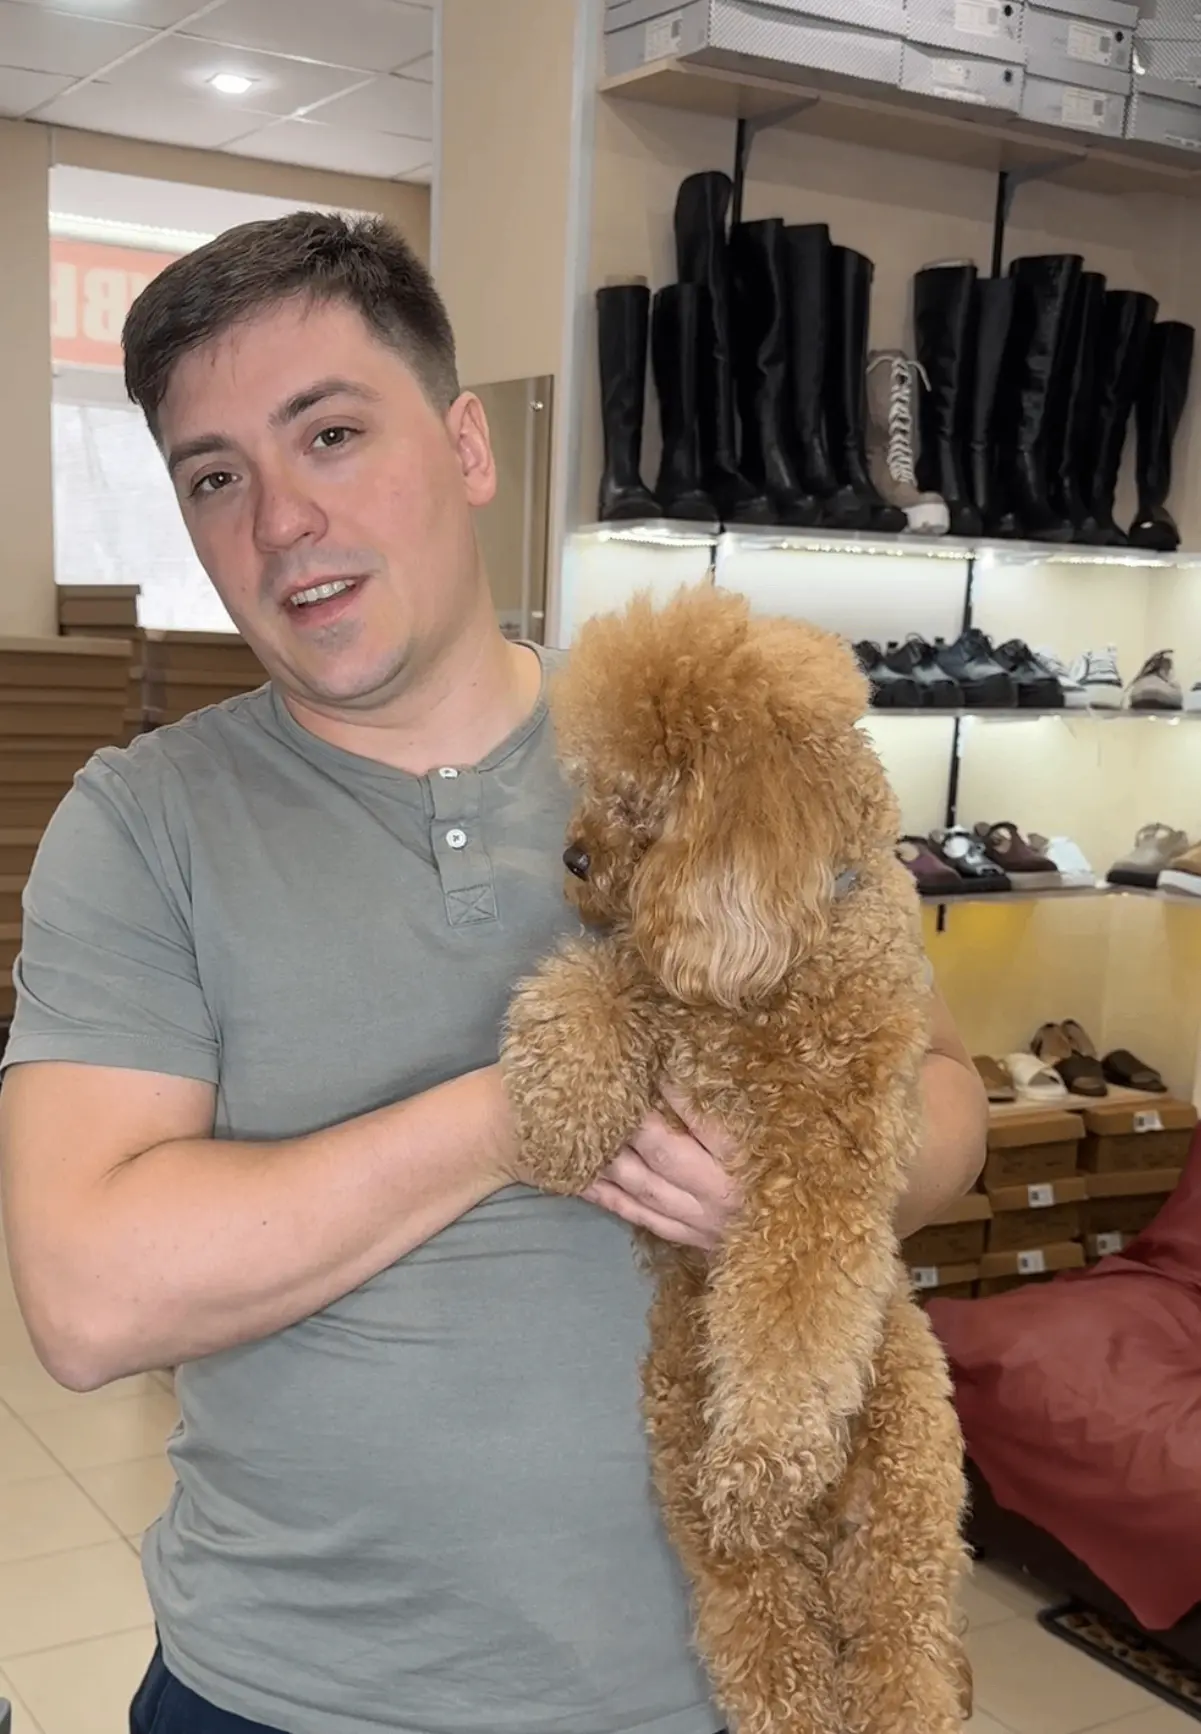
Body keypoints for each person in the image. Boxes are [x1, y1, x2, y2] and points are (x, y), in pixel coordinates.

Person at [0, 213, 987, 1734]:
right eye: (215, 478)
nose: (282, 521)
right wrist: (516, 1117)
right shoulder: (141, 826)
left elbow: (949, 1099)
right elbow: (86, 1298)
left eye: (331, 434)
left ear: (468, 446)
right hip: (282, 1695)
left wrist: (804, 1183)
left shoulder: (698, 740)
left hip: (716, 1688)